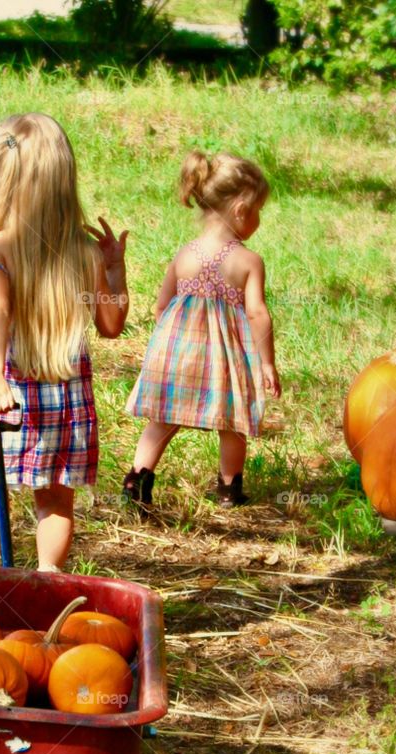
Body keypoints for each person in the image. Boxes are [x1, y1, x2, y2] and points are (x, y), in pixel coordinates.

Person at [0, 112, 129, 569]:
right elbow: (112, 323)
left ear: (1, 181)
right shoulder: (82, 249)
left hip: (4, 388)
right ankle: (48, 578)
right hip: (61, 387)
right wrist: (114, 271)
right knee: (55, 499)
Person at [122, 149, 280, 513]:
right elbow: (257, 314)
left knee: (162, 419)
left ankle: (137, 480)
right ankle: (229, 489)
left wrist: (169, 343)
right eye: (257, 211)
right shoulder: (248, 261)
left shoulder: (184, 255)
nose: (257, 219)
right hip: (224, 360)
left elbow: (162, 305)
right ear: (241, 208)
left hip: (179, 354)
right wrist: (266, 363)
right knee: (232, 423)